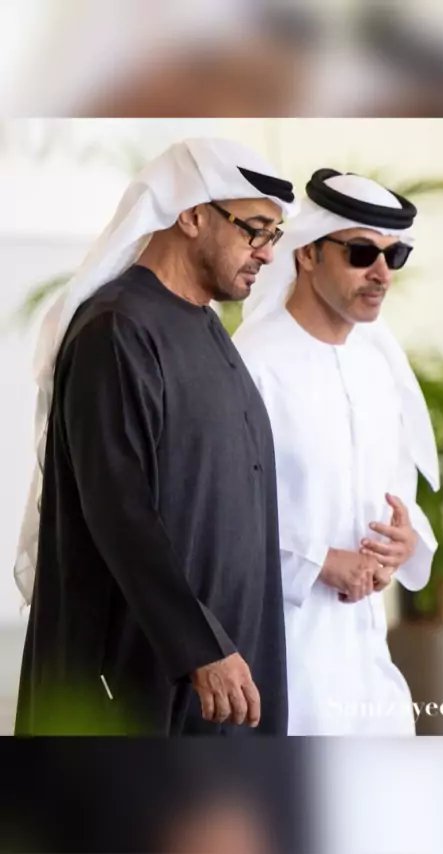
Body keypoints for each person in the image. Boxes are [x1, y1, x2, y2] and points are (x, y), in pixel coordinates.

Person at [14, 137, 297, 736]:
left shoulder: (208, 329)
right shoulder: (117, 328)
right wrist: (198, 646)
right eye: (254, 230)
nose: (268, 253)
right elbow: (119, 509)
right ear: (192, 214)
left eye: (274, 235)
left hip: (222, 673)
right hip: (139, 677)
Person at [234, 168, 440, 735]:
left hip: (367, 655)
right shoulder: (252, 364)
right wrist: (319, 562)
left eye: (394, 257)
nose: (381, 274)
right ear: (307, 254)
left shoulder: (376, 366)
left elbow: (398, 492)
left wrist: (405, 543)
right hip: (282, 656)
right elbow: (219, 518)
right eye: (361, 253)